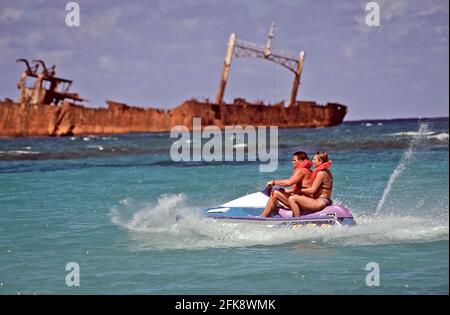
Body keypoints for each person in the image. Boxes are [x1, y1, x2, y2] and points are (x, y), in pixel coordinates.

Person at [260, 151, 312, 217]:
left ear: (301, 161)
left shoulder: (301, 171)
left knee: (275, 193)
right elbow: (302, 188)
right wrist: (286, 190)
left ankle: (263, 217)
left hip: (302, 202)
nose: (292, 162)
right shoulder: (308, 170)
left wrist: (274, 182)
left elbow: (288, 183)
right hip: (304, 200)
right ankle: (268, 214)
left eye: (294, 160)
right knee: (279, 191)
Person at [288, 151, 333, 217]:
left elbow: (312, 190)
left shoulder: (320, 173)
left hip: (320, 202)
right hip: (327, 200)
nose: (312, 161)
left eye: (314, 159)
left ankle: (297, 221)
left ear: (320, 162)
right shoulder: (327, 171)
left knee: (292, 198)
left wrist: (299, 190)